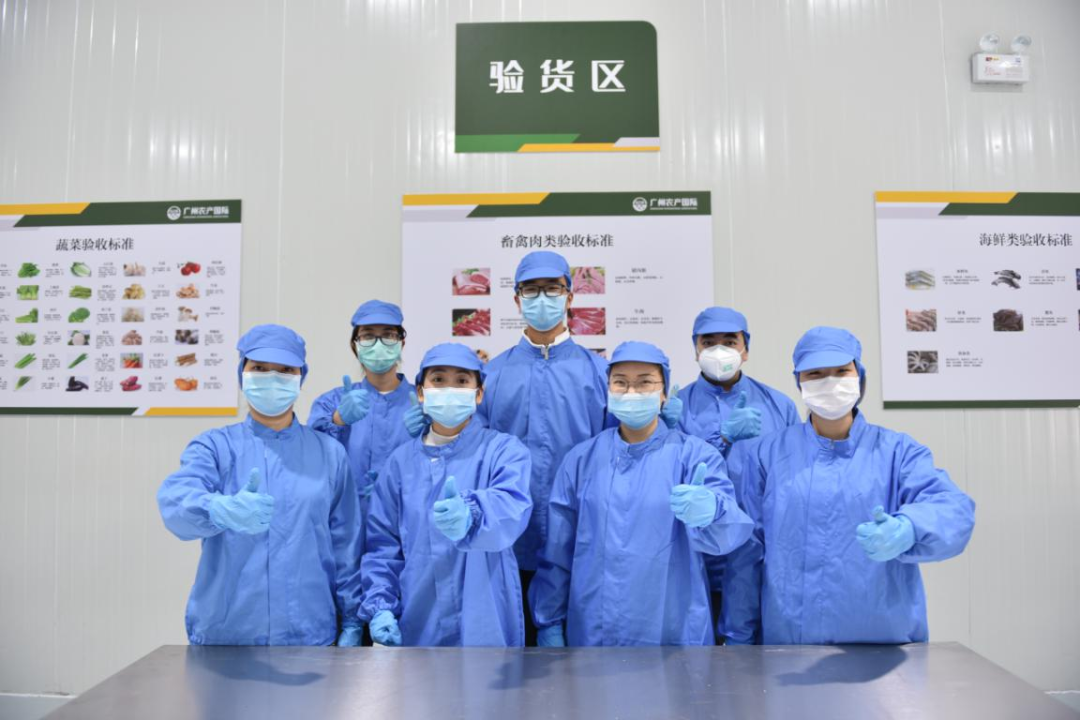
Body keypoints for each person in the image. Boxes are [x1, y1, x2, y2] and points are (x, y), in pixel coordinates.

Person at [722, 327, 976, 645]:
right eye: (815, 374)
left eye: (841, 371)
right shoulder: (768, 455)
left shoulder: (897, 452)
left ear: (860, 376)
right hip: (791, 648)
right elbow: (747, 553)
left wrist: (911, 527)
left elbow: (953, 508)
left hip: (884, 648)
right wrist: (739, 637)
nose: (829, 382)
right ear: (799, 381)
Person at [529, 341, 753, 646]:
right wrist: (549, 621)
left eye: (645, 382)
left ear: (663, 393)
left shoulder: (694, 456)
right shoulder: (581, 460)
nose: (631, 392)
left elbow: (731, 534)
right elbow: (557, 550)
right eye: (620, 383)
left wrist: (713, 510)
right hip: (595, 627)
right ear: (608, 390)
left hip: (673, 628)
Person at [157, 324, 363, 646]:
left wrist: (352, 618)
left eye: (285, 370)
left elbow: (345, 544)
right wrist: (218, 508)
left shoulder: (329, 453)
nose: (272, 378)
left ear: (301, 377)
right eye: (260, 368)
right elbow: (175, 501)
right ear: (242, 373)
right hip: (229, 635)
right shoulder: (216, 447)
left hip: (308, 633)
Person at [475, 251, 611, 644]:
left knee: (582, 670)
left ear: (570, 296)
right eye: (531, 290)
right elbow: (477, 454)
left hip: (584, 535)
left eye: (552, 289)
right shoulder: (491, 375)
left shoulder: (600, 373)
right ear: (516, 299)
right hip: (511, 540)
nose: (542, 298)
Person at [362, 342, 533, 647]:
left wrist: (473, 513)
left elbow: (512, 508)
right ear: (421, 392)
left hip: (485, 619)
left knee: (487, 678)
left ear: (479, 393)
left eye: (462, 381)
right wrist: (381, 607)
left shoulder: (504, 451)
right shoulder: (400, 463)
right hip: (419, 618)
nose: (450, 389)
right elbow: (383, 546)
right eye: (438, 380)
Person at [309, 300, 416, 509]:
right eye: (368, 336)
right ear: (355, 345)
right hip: (348, 519)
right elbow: (313, 462)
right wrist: (338, 421)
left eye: (388, 335)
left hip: (407, 519)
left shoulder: (423, 404)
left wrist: (430, 434)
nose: (378, 344)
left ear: (401, 343)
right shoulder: (330, 403)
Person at [667, 307, 799, 457]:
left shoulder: (780, 406)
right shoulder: (676, 411)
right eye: (708, 343)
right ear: (696, 351)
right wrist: (723, 439)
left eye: (729, 343)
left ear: (746, 350)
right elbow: (668, 464)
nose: (718, 352)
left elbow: (796, 461)